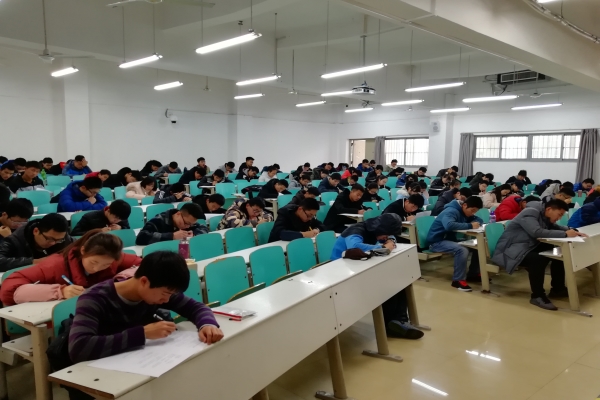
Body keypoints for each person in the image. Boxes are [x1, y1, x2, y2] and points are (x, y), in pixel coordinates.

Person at [68, 251, 222, 367]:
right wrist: (142, 333)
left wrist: (207, 324)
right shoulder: (94, 298)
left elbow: (195, 307)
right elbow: (79, 348)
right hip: (99, 372)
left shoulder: (158, 289)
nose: (167, 300)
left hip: (140, 363)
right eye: (165, 294)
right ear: (144, 281)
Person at [330, 214, 424, 339]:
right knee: (386, 285)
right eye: (386, 234)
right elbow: (355, 247)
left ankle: (399, 320)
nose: (387, 237)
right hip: (341, 272)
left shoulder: (375, 230)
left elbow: (390, 238)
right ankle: (390, 323)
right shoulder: (355, 231)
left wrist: (391, 241)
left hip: (358, 266)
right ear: (380, 229)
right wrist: (382, 247)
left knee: (400, 282)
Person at [0, 230, 141, 306]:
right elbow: (8, 289)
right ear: (83, 251)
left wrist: (121, 279)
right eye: (93, 262)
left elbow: (144, 265)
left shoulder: (114, 257)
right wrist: (60, 291)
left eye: (106, 265)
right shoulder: (54, 265)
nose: (97, 268)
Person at [493, 200, 587, 310]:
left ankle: (558, 289)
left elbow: (553, 226)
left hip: (527, 246)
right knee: (537, 259)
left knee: (560, 252)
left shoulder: (543, 214)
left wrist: (571, 231)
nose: (559, 218)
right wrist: (565, 234)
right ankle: (537, 296)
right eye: (559, 214)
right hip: (511, 250)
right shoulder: (529, 213)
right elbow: (536, 232)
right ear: (549, 209)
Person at [427, 196, 484, 291]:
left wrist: (476, 222)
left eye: (475, 211)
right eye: (472, 210)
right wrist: (470, 225)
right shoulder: (451, 211)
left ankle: (473, 274)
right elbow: (449, 225)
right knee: (462, 250)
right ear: (464, 205)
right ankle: (457, 280)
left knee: (477, 246)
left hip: (450, 240)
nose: (473, 213)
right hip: (437, 242)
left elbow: (479, 220)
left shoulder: (464, 212)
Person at [0, 213, 72, 272]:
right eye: (49, 239)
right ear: (36, 231)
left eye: (59, 240)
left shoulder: (62, 236)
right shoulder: (16, 239)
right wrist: (34, 262)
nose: (53, 243)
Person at [136, 203, 207, 245]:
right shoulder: (159, 220)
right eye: (186, 223)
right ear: (178, 214)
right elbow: (141, 237)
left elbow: (203, 228)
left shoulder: (188, 221)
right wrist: (172, 236)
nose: (188, 226)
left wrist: (194, 233)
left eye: (191, 224)